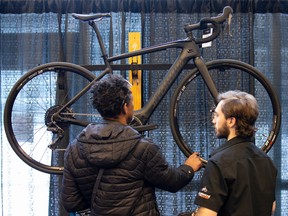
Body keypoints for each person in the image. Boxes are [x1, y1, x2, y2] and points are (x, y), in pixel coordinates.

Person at [61, 74, 203, 216]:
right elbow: (172, 182)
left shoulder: (74, 149)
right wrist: (188, 168)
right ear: (125, 107)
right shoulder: (143, 148)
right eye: (132, 103)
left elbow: (71, 202)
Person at [193, 90, 277, 216]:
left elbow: (206, 214)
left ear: (231, 121)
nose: (213, 121)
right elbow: (271, 208)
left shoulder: (218, 162)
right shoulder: (266, 161)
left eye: (216, 115)